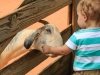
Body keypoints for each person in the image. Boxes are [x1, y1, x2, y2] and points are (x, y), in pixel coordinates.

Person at [42, 0, 100, 75]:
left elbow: (63, 51)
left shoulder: (78, 36)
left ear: (84, 17)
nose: (77, 19)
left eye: (78, 16)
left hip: (83, 73)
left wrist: (50, 49)